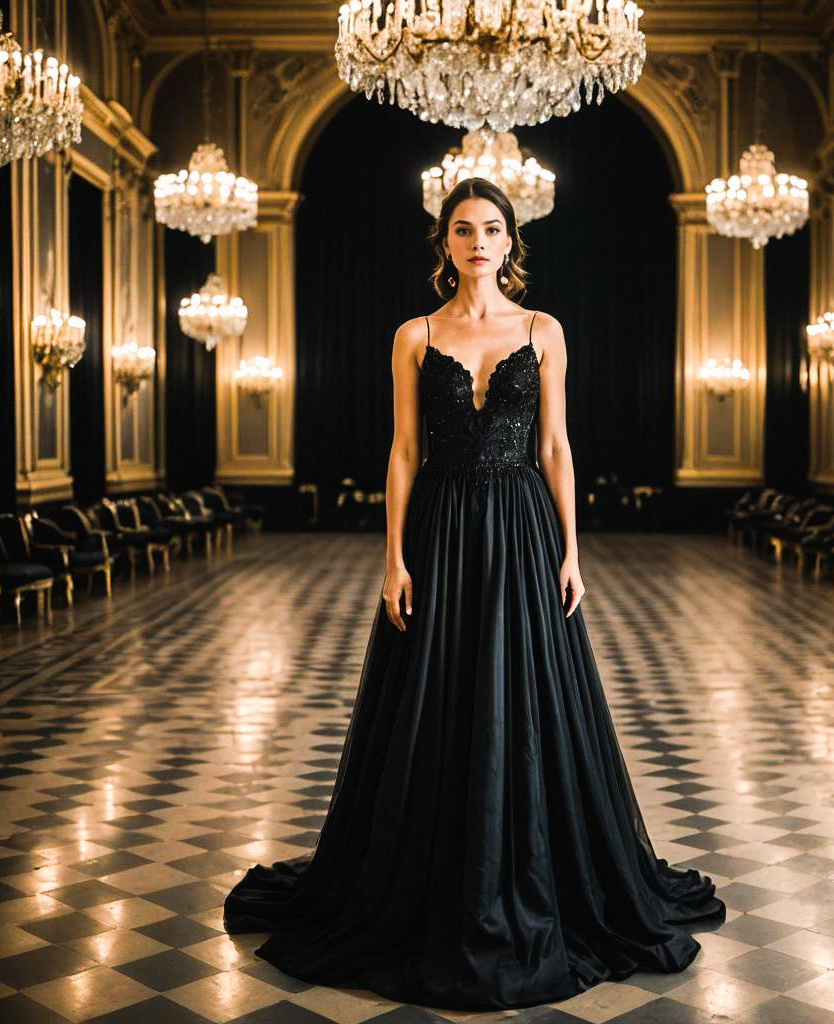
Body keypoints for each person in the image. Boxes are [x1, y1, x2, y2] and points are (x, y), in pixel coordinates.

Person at [223, 177, 725, 1010]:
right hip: (443, 529)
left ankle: (533, 863)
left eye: (492, 229)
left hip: (526, 531)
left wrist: (572, 548)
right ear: (445, 243)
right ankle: (432, 869)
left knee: (527, 694)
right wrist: (392, 557)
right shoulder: (414, 335)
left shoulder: (545, 331)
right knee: (439, 693)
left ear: (511, 240)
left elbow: (558, 446)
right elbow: (402, 453)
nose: (478, 242)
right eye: (463, 230)